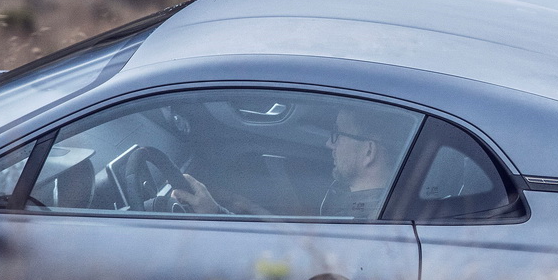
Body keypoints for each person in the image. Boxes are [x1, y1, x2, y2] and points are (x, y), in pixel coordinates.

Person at [172, 106, 403, 220]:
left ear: (369, 152)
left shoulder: (360, 219)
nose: (328, 144)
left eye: (337, 136)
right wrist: (234, 204)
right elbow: (297, 238)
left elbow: (293, 254)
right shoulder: (362, 202)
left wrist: (216, 213)